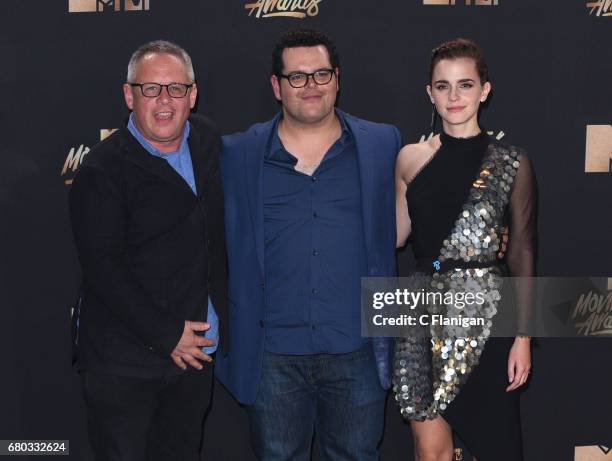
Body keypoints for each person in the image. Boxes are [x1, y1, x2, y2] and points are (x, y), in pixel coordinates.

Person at [215, 29, 401, 460]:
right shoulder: (237, 154)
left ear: (337, 79)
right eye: (297, 77)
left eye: (321, 74)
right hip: (272, 356)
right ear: (276, 86)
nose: (311, 86)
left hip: (357, 352)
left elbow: (419, 215)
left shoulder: (382, 144)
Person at [68, 40, 227, 461]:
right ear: (128, 95)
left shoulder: (210, 142)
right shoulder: (101, 170)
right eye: (150, 89)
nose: (163, 101)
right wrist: (168, 334)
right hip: (122, 366)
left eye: (175, 89)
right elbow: (103, 269)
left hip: (194, 362)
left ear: (193, 95)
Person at [394, 38, 536, 461]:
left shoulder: (511, 161)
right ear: (429, 93)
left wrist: (524, 337)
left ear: (484, 90)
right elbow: (396, 236)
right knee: (430, 452)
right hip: (422, 312)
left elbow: (523, 251)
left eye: (465, 85)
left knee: (498, 446)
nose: (454, 97)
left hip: (487, 316)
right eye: (443, 86)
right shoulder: (409, 158)